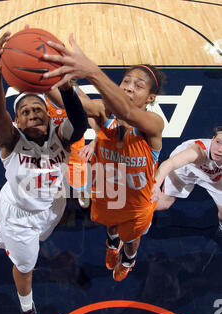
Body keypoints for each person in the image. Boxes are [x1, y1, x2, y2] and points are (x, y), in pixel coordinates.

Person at [0, 31, 89, 314]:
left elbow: (80, 122)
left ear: (49, 115)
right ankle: (27, 308)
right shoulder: (11, 141)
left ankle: (22, 240)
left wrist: (66, 83)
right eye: (25, 111)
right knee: (25, 265)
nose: (33, 112)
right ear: (16, 120)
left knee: (45, 235)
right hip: (19, 216)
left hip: (51, 207)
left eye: (38, 108)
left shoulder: (62, 133)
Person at [42, 35, 166, 281]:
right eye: (126, 81)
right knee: (111, 226)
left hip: (137, 204)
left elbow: (127, 111)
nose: (129, 86)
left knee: (131, 240)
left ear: (150, 98)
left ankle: (128, 258)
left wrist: (92, 71)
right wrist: (43, 75)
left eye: (138, 85)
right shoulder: (102, 112)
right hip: (108, 191)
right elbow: (72, 104)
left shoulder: (153, 124)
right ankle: (112, 243)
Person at [151, 127, 222, 236]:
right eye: (218, 142)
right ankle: (131, 214)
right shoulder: (197, 151)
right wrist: (155, 185)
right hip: (186, 168)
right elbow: (170, 164)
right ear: (213, 139)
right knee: (165, 203)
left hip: (213, 175)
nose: (219, 149)